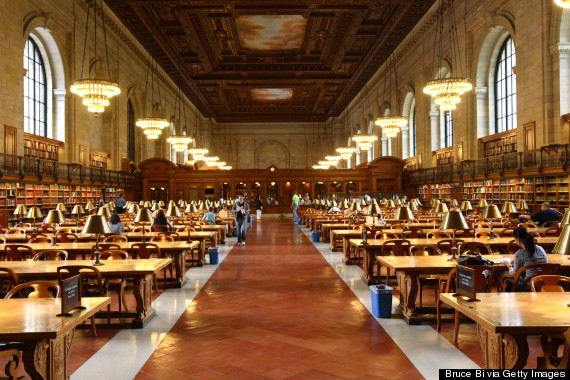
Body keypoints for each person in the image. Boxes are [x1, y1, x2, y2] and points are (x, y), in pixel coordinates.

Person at [502, 226, 548, 291]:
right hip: (544, 283)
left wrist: (509, 265)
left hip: (529, 284)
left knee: (504, 274)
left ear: (518, 239)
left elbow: (514, 273)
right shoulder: (540, 248)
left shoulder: (520, 253)